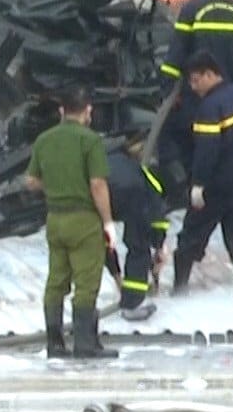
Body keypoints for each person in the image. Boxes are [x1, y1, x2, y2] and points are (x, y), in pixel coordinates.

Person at [23, 88, 118, 359]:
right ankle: (86, 344)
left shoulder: (44, 139)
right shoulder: (89, 141)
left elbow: (30, 181)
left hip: (55, 220)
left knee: (56, 282)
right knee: (86, 284)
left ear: (62, 111)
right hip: (84, 221)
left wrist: (54, 186)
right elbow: (98, 184)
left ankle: (55, 344)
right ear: (88, 110)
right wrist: (108, 222)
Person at [171, 53, 233, 301]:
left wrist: (198, 184)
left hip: (217, 186)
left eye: (195, 80)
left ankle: (179, 289)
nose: (193, 87)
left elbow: (207, 149)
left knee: (192, 234)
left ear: (211, 75)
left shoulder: (210, 107)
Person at [156, 0, 233, 182]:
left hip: (197, 99)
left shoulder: (191, 10)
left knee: (185, 142)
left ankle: (189, 186)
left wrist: (168, 91)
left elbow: (176, 55)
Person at [104, 133, 171, 321]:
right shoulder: (142, 174)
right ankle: (132, 305)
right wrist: (159, 246)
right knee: (138, 248)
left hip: (97, 197)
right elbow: (157, 214)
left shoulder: (102, 160)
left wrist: (116, 275)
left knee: (102, 242)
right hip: (133, 198)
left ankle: (117, 283)